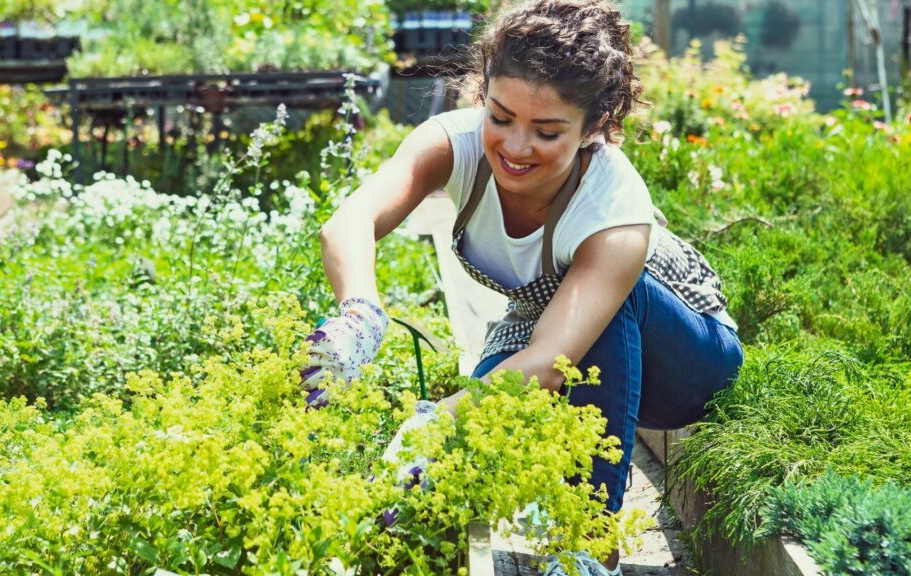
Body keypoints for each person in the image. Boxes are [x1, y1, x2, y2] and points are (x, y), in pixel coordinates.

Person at [300, 0, 744, 573]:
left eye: (547, 131)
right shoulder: (454, 144)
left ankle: (590, 546)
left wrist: (436, 422)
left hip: (687, 361)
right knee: (484, 417)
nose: (514, 146)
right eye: (501, 116)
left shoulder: (613, 206)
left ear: (593, 129)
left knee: (523, 375)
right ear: (483, 93)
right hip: (553, 330)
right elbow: (348, 222)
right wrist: (360, 313)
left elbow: (551, 362)